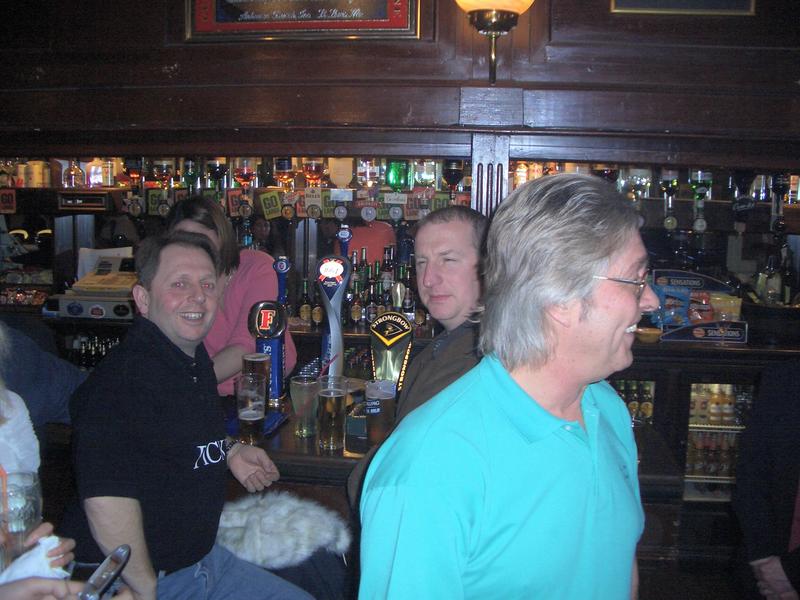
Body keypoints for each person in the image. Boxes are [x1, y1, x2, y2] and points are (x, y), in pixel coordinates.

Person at [359, 173, 659, 598]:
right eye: (636, 279)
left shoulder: (605, 408)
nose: (651, 301)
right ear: (560, 299)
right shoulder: (429, 466)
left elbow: (620, 570)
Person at [62, 231, 311, 600]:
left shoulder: (187, 362)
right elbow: (106, 503)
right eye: (179, 284)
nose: (198, 296)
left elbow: (172, 433)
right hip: (138, 578)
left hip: (201, 562)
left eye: (207, 284)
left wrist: (228, 450)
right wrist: (146, 588)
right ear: (143, 299)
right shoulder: (122, 383)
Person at [346, 205, 487, 509]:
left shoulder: (478, 357)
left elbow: (400, 471)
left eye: (448, 260)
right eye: (422, 262)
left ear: (487, 267)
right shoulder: (451, 344)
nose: (429, 279)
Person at [167, 197, 297, 396]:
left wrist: (187, 386)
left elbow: (247, 344)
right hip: (204, 394)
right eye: (182, 240)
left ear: (222, 236)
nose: (192, 248)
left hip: (265, 393)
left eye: (201, 238)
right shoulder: (175, 280)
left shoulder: (257, 267)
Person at [735, 361, 800, 600]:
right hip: (767, 568)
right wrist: (763, 560)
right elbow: (751, 473)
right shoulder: (783, 377)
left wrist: (791, 573)